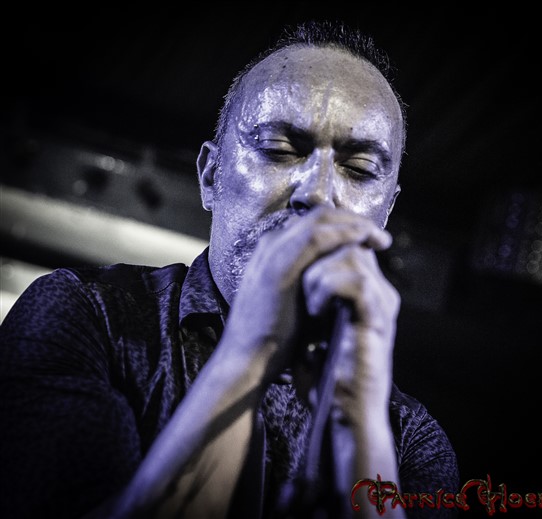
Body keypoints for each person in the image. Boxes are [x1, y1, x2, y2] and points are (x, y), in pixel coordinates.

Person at [0, 20, 459, 519]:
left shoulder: (411, 437)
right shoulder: (86, 315)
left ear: (386, 213)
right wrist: (252, 348)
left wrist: (357, 423)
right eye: (279, 149)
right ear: (210, 175)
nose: (317, 193)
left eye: (360, 170)